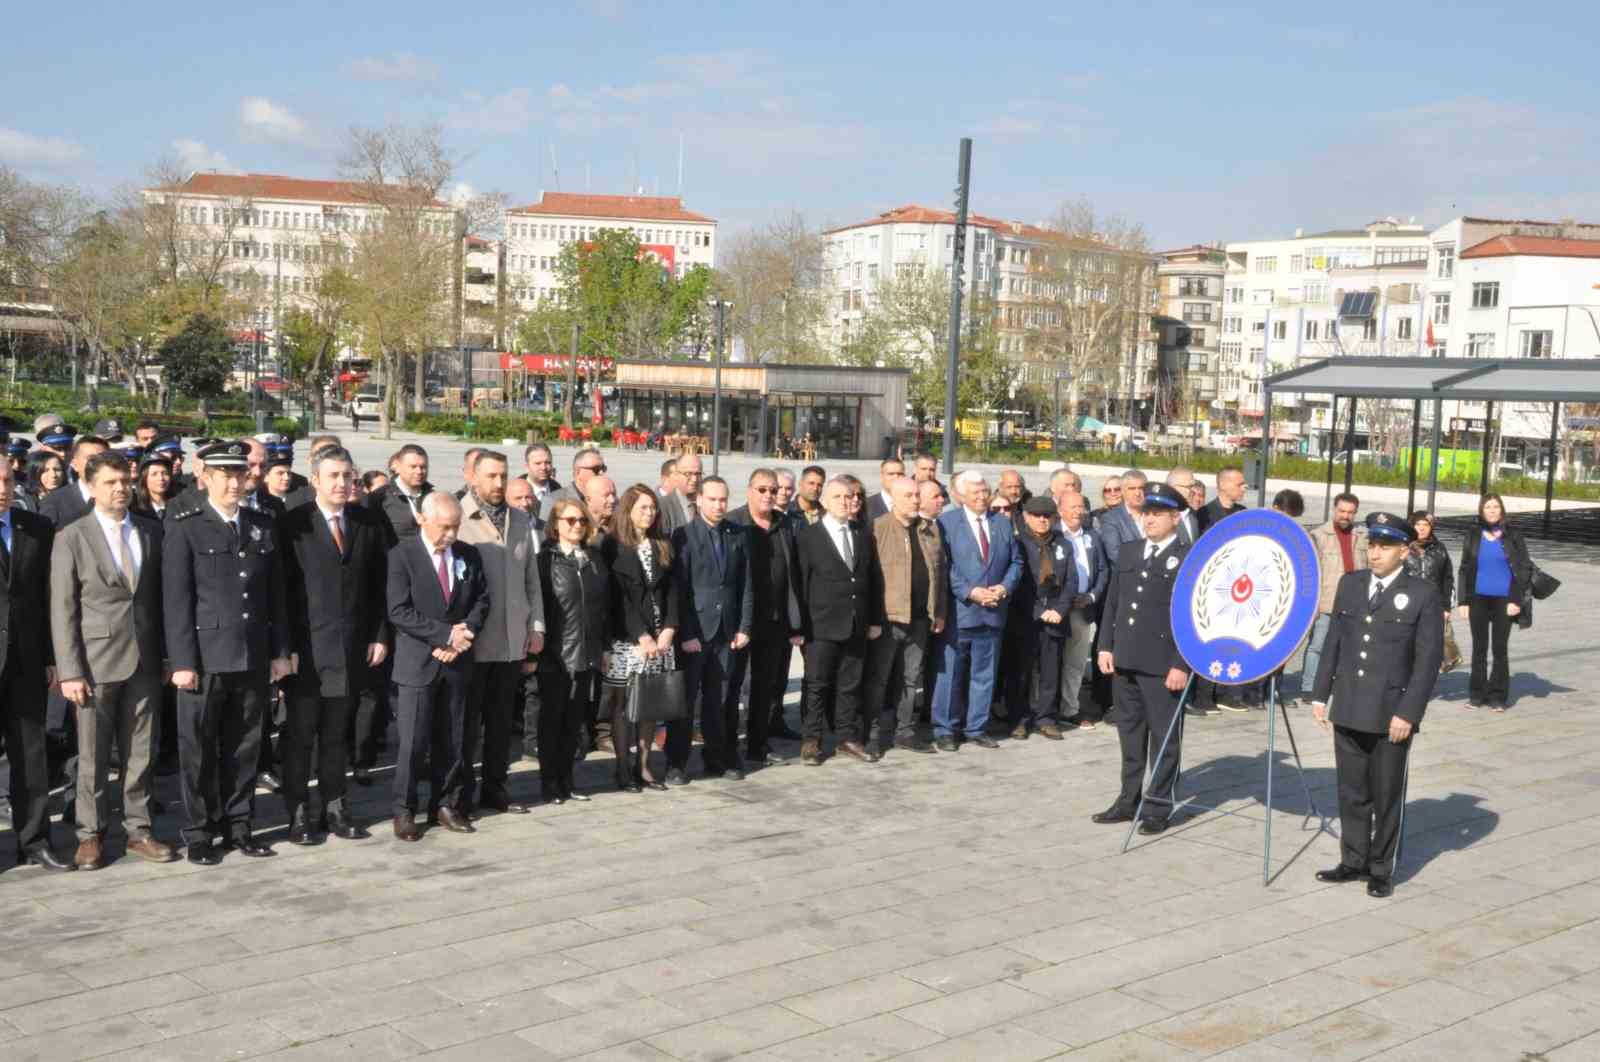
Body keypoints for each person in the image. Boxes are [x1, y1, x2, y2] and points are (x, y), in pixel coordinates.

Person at [163, 441, 293, 864]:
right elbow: (177, 599)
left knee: (245, 746)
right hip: (203, 658)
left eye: (240, 474)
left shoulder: (261, 524)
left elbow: (276, 597)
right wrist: (182, 662)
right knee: (198, 749)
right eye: (225, 475)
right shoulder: (185, 523)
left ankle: (240, 824)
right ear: (206, 478)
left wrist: (280, 651)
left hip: (252, 655)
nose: (235, 482)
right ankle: (200, 830)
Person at [50, 452, 174, 869]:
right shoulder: (73, 536)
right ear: (91, 486)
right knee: (92, 756)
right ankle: (90, 834)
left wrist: (168, 656)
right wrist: (69, 670)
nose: (120, 489)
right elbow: (62, 609)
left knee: (141, 752)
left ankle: (139, 829)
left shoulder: (150, 531)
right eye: (110, 483)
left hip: (145, 659)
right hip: (95, 663)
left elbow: (159, 601)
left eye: (124, 481)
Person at [1310, 513, 1444, 897]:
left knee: (1385, 794)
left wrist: (1409, 713)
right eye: (1372, 544)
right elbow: (1334, 641)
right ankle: (1353, 860)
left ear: (1404, 550)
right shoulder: (1351, 585)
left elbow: (1427, 661)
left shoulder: (1422, 594)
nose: (1375, 552)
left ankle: (1382, 868)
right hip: (1350, 704)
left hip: (1390, 714)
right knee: (1351, 791)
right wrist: (1320, 695)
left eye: (1385, 546)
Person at [277, 446, 390, 844]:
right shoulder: (293, 525)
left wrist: (379, 635)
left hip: (350, 650)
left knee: (337, 736)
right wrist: (283, 649)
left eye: (347, 476)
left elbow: (378, 586)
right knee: (300, 738)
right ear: (315, 482)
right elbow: (283, 594)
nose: (342, 484)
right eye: (333, 477)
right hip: (306, 652)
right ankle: (297, 813)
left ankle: (335, 809)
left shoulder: (367, 523)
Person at [385, 492, 489, 840]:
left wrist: (466, 633)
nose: (450, 535)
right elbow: (399, 610)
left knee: (453, 739)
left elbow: (481, 599)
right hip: (418, 662)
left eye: (455, 527)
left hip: (458, 662)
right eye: (444, 527)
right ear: (423, 520)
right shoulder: (402, 556)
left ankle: (446, 803)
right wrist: (445, 635)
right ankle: (404, 809)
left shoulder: (468, 555)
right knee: (413, 743)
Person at [1092, 482, 1193, 835]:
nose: (1149, 519)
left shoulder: (1188, 557)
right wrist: (1105, 645)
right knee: (1130, 733)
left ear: (1175, 518)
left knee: (1164, 738)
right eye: (1146, 513)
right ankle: (1127, 798)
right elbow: (1114, 603)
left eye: (1157, 514)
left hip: (1164, 663)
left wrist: (1182, 663)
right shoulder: (1131, 551)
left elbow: (1193, 618)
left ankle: (1158, 806)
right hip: (1127, 657)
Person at [457, 450, 545, 814]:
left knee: (499, 723)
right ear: (473, 477)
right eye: (491, 476)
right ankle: (458, 795)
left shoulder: (521, 521)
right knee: (465, 726)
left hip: (512, 642)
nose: (498, 483)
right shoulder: (458, 518)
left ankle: (496, 788)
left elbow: (532, 582)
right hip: (473, 645)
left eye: (503, 476)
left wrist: (536, 625)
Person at [0, 460, 75, 871]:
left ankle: (34, 840)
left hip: (28, 661)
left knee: (30, 755)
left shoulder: (36, 527)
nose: (3, 488)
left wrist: (51, 658)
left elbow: (51, 599)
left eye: (8, 480)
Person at [793, 476, 885, 765]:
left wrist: (874, 619)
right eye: (838, 498)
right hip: (821, 625)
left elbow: (873, 579)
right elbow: (800, 583)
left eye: (849, 497)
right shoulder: (809, 536)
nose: (846, 503)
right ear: (824, 501)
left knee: (850, 684)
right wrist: (799, 627)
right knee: (817, 685)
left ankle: (846, 736)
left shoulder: (862, 533)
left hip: (856, 623)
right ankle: (811, 739)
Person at [669, 475, 753, 782]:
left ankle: (717, 759)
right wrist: (686, 633)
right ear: (700, 500)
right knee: (686, 700)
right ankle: (676, 763)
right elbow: (681, 589)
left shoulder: (737, 535)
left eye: (723, 500)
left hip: (726, 632)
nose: (719, 505)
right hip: (695, 633)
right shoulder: (684, 535)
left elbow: (746, 585)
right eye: (713, 499)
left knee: (719, 700)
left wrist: (744, 626)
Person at [931, 471, 1022, 752]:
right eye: (975, 493)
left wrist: (1004, 588)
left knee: (984, 674)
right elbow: (942, 565)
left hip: (994, 610)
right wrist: (970, 591)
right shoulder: (945, 524)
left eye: (984, 491)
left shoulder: (1002, 524)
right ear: (959, 495)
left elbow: (1016, 562)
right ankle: (945, 728)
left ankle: (976, 727)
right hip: (961, 612)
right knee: (951, 674)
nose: (982, 497)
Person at [603, 486, 679, 792]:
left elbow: (674, 590)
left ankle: (644, 765)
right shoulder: (612, 545)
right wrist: (642, 635)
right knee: (623, 706)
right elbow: (617, 599)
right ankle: (622, 767)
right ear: (628, 510)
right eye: (642, 508)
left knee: (650, 705)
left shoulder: (662, 543)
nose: (648, 514)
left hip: (661, 640)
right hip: (628, 639)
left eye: (652, 508)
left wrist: (670, 629)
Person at [726, 469, 803, 766]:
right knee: (733, 687)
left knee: (765, 687)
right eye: (762, 490)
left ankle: (758, 746)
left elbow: (795, 572)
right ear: (749, 491)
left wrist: (796, 621)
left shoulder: (785, 525)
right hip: (740, 622)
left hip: (774, 620)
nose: (769, 495)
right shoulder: (735, 523)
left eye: (773, 490)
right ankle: (729, 746)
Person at [535, 499, 610, 803]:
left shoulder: (593, 559)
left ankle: (567, 780)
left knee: (574, 721)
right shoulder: (546, 560)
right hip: (555, 654)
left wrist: (603, 648)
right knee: (551, 720)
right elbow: (539, 608)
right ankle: (549, 782)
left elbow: (603, 609)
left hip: (587, 653)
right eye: (569, 520)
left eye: (581, 520)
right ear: (555, 525)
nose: (577, 525)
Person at [863, 477, 944, 756]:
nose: (915, 500)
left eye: (917, 495)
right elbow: (869, 577)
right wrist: (872, 619)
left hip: (920, 618)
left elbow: (938, 573)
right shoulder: (878, 528)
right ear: (893, 498)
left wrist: (938, 611)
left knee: (911, 679)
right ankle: (871, 733)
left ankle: (905, 732)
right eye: (908, 495)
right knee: (879, 679)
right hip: (888, 619)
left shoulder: (929, 529)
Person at [1455, 494, 1533, 712]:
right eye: (1487, 507)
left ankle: (1498, 696)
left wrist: (1515, 599)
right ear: (1481, 510)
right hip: (1478, 599)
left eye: (1495, 506)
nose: (1491, 510)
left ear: (1502, 510)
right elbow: (1464, 568)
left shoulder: (1513, 535)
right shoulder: (1473, 535)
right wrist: (1462, 600)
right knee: (1479, 648)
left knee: (1500, 649)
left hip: (1504, 601)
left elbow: (1523, 568)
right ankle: (1477, 695)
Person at [1010, 495, 1078, 740]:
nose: (1042, 520)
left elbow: (1071, 581)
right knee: (1022, 672)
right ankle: (1019, 718)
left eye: (1047, 516)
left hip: (1056, 618)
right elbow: (1019, 585)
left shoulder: (1064, 544)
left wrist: (1059, 610)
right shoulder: (1018, 543)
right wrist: (1040, 612)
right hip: (1026, 617)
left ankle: (1046, 718)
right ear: (1026, 517)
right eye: (1036, 516)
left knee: (1051, 671)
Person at [1301, 493, 1366, 699]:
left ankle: (1339, 686)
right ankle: (1309, 687)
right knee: (1318, 646)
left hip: (1355, 602)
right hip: (1327, 601)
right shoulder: (1318, 535)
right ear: (1334, 510)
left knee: (1349, 648)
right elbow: (1309, 572)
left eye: (1350, 512)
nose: (1345, 516)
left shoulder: (1364, 536)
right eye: (1342, 511)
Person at [1056, 490, 1107, 728]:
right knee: (1047, 661)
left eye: (1081, 507)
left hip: (1083, 609)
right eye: (1072, 507)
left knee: (1076, 662)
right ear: (1060, 509)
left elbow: (1103, 571)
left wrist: (1092, 595)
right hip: (1057, 610)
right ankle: (1042, 708)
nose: (1078, 512)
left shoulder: (1092, 536)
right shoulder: (1053, 534)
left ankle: (1070, 708)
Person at [1406, 510, 1459, 673]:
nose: (1421, 528)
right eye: (1418, 524)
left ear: (1431, 527)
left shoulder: (1440, 549)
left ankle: (1423, 680)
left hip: (1432, 606)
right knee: (1406, 645)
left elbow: (1447, 579)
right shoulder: (1403, 547)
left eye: (1426, 525)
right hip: (1407, 605)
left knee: (1428, 647)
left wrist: (1446, 607)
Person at [40, 435, 108, 527]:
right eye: (91, 459)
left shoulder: (122, 497)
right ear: (74, 464)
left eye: (103, 459)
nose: (97, 464)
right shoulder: (53, 502)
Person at [371, 444, 434, 541]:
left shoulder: (434, 497)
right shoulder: (380, 498)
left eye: (423, 467)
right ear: (399, 467)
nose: (419, 471)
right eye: (413, 467)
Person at [539, 447, 608, 523]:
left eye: (604, 469)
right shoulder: (553, 500)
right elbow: (546, 533)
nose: (601, 473)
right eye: (596, 469)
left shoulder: (609, 499)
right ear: (578, 472)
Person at [1096, 470, 1145, 567]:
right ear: (1123, 491)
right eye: (1132, 488)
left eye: (1141, 488)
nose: (1137, 493)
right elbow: (1115, 553)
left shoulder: (1154, 513)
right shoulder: (1109, 518)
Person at [1201, 467, 1248, 533]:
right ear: (1222, 485)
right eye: (1239, 485)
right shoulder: (1205, 514)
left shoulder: (1243, 512)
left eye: (1244, 485)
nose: (1244, 488)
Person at [133, 455, 176, 520]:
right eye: (154, 474)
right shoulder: (135, 508)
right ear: (144, 479)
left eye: (165, 473)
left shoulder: (178, 504)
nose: (161, 478)